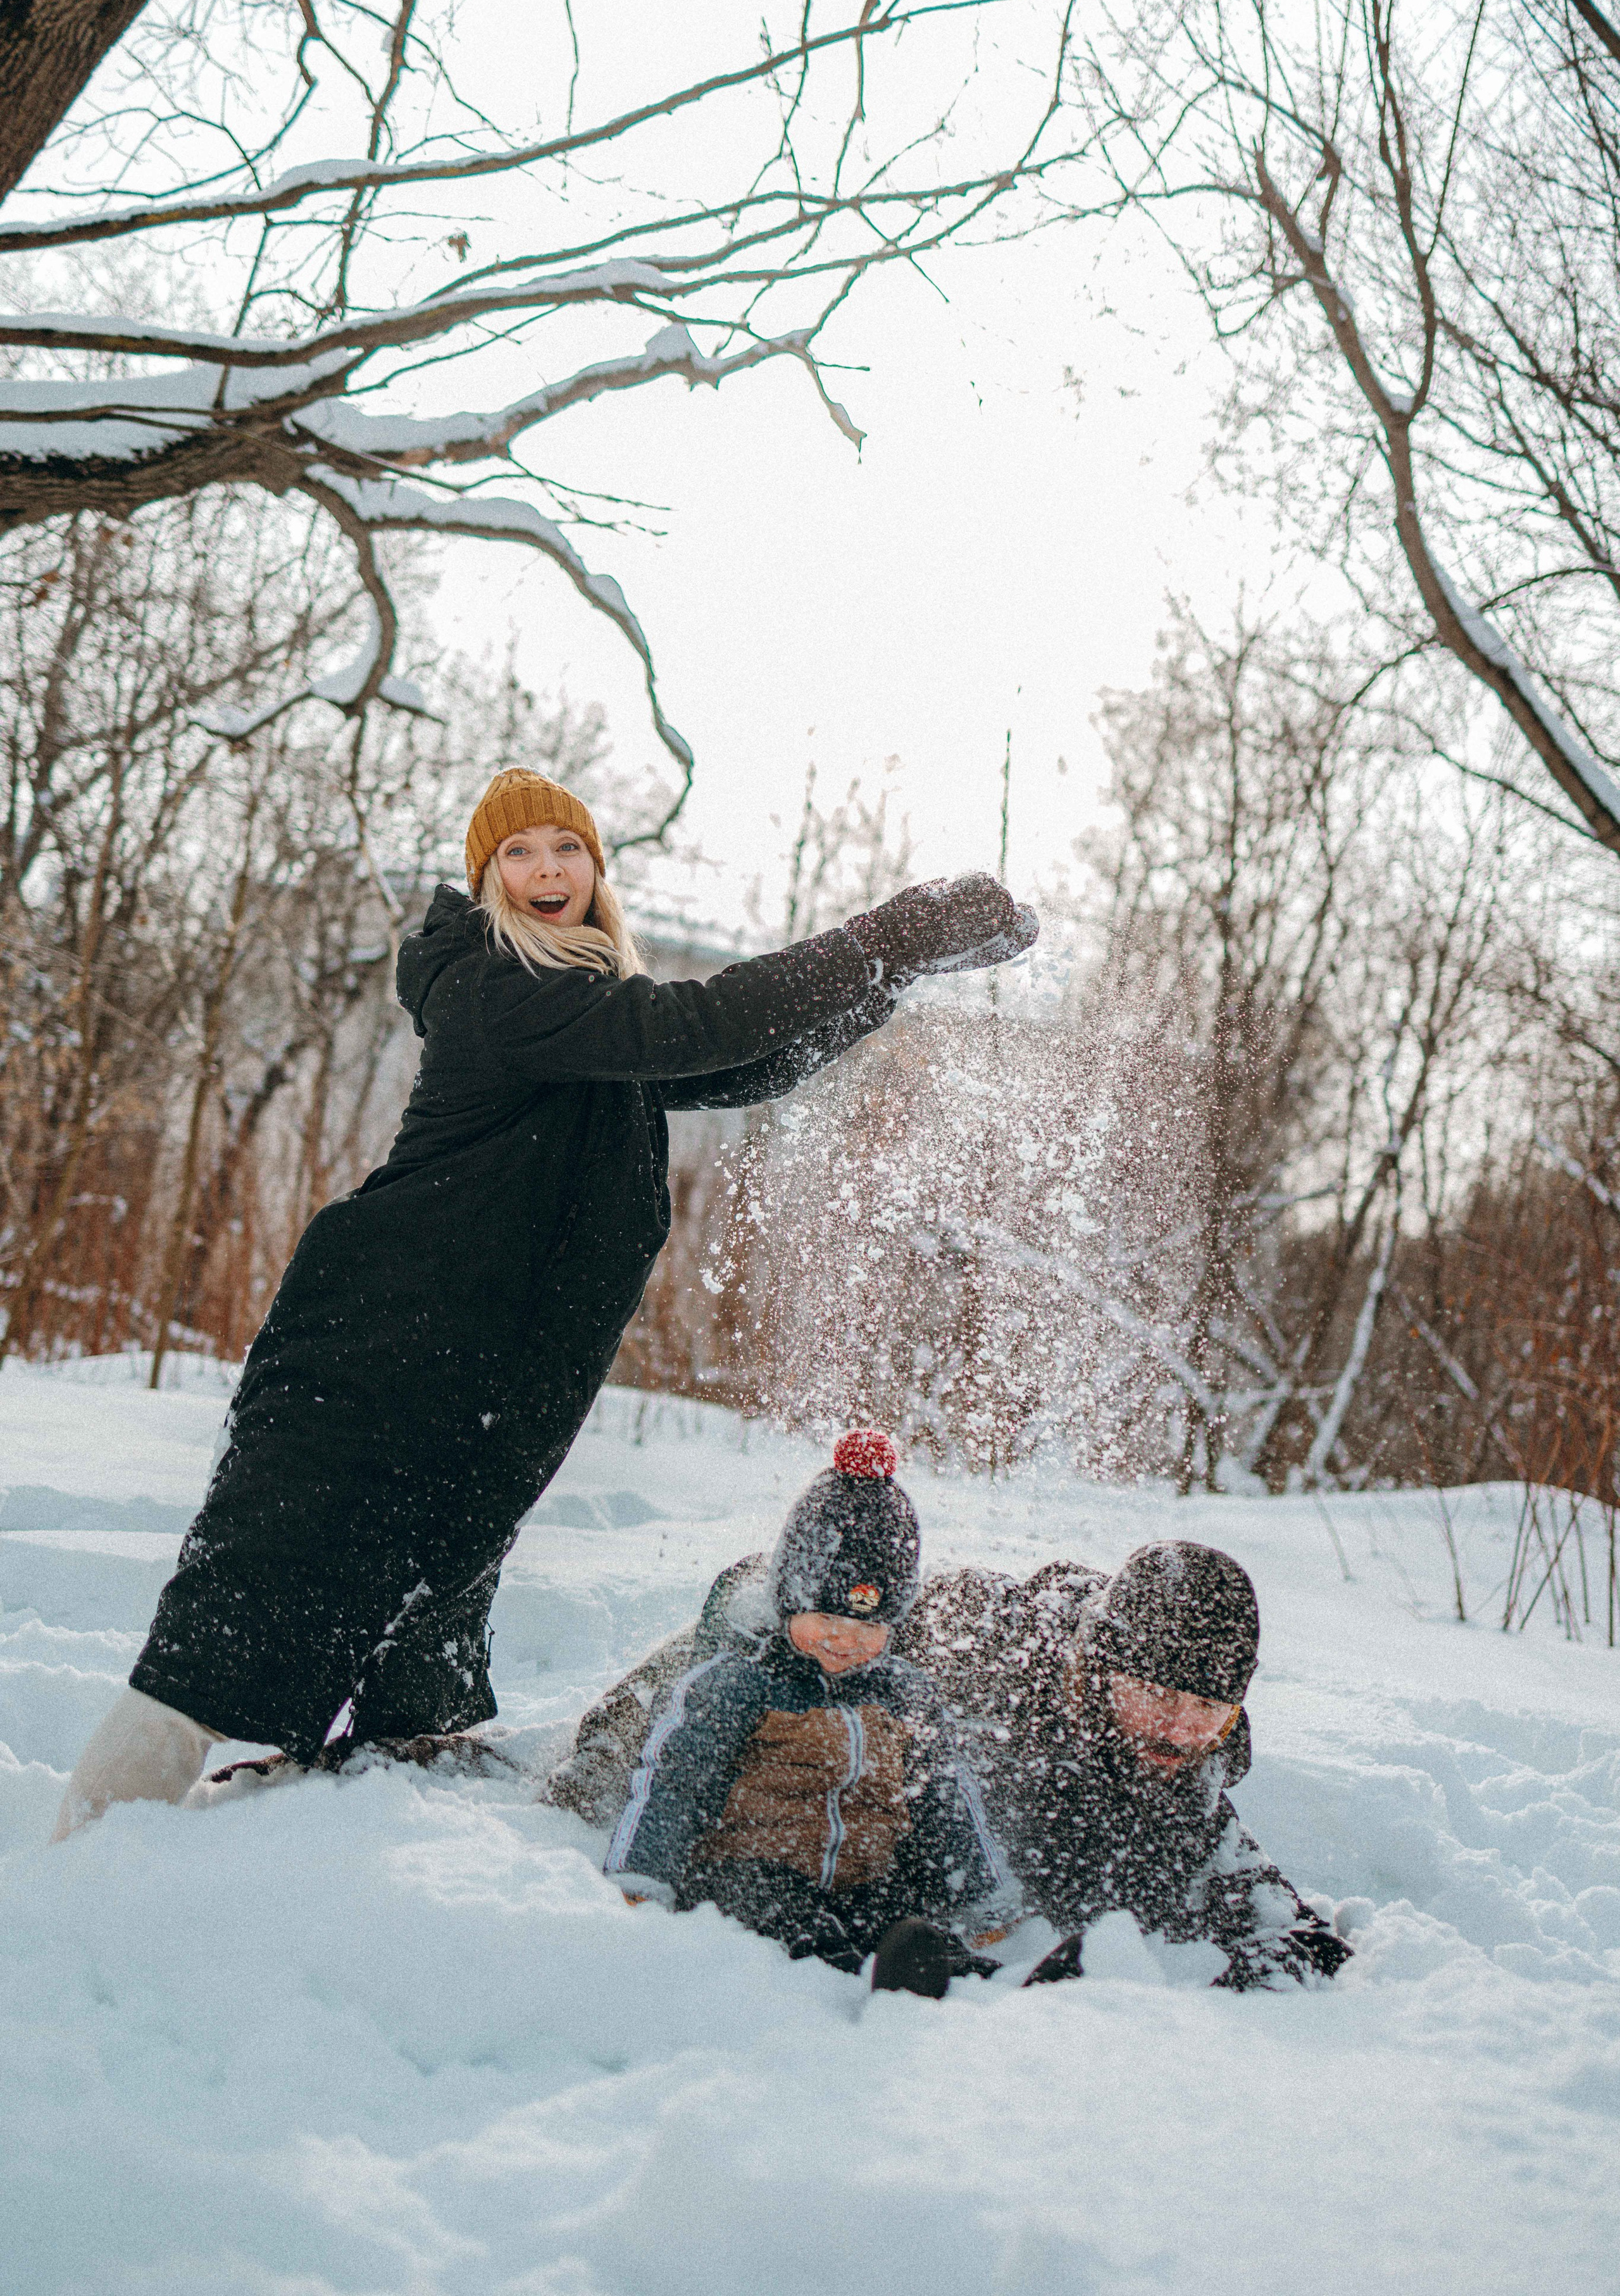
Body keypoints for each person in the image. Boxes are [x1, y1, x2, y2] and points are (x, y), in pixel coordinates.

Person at [51, 769, 1037, 1839]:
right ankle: (89, 1864)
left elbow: (748, 1061)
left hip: (474, 1375)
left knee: (417, 1627)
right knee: (245, 1617)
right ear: (488, 882)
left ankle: (314, 1855)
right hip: (370, 1351)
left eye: (566, 847)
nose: (547, 868)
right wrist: (888, 929)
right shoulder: (493, 991)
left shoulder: (588, 1022)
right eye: (519, 853)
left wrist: (895, 973)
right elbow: (701, 1021)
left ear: (594, 871)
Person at [604, 1431, 1011, 1997]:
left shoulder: (905, 1696)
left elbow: (944, 1795)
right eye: (827, 1619)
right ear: (788, 1600)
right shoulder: (740, 1684)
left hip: (864, 1875)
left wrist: (980, 1894)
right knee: (781, 1912)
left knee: (900, 1910)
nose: (846, 1641)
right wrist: (643, 1875)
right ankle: (840, 1980)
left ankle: (971, 1977)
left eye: (870, 1627)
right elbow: (674, 1781)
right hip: (751, 1869)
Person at [892, 1541, 1353, 1989]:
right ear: (1099, 1670)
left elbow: (1284, 1923)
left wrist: (1273, 1963)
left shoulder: (1193, 1762)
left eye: (1208, 1706)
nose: (1179, 1729)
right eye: (1157, 1694)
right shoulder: (997, 1670)